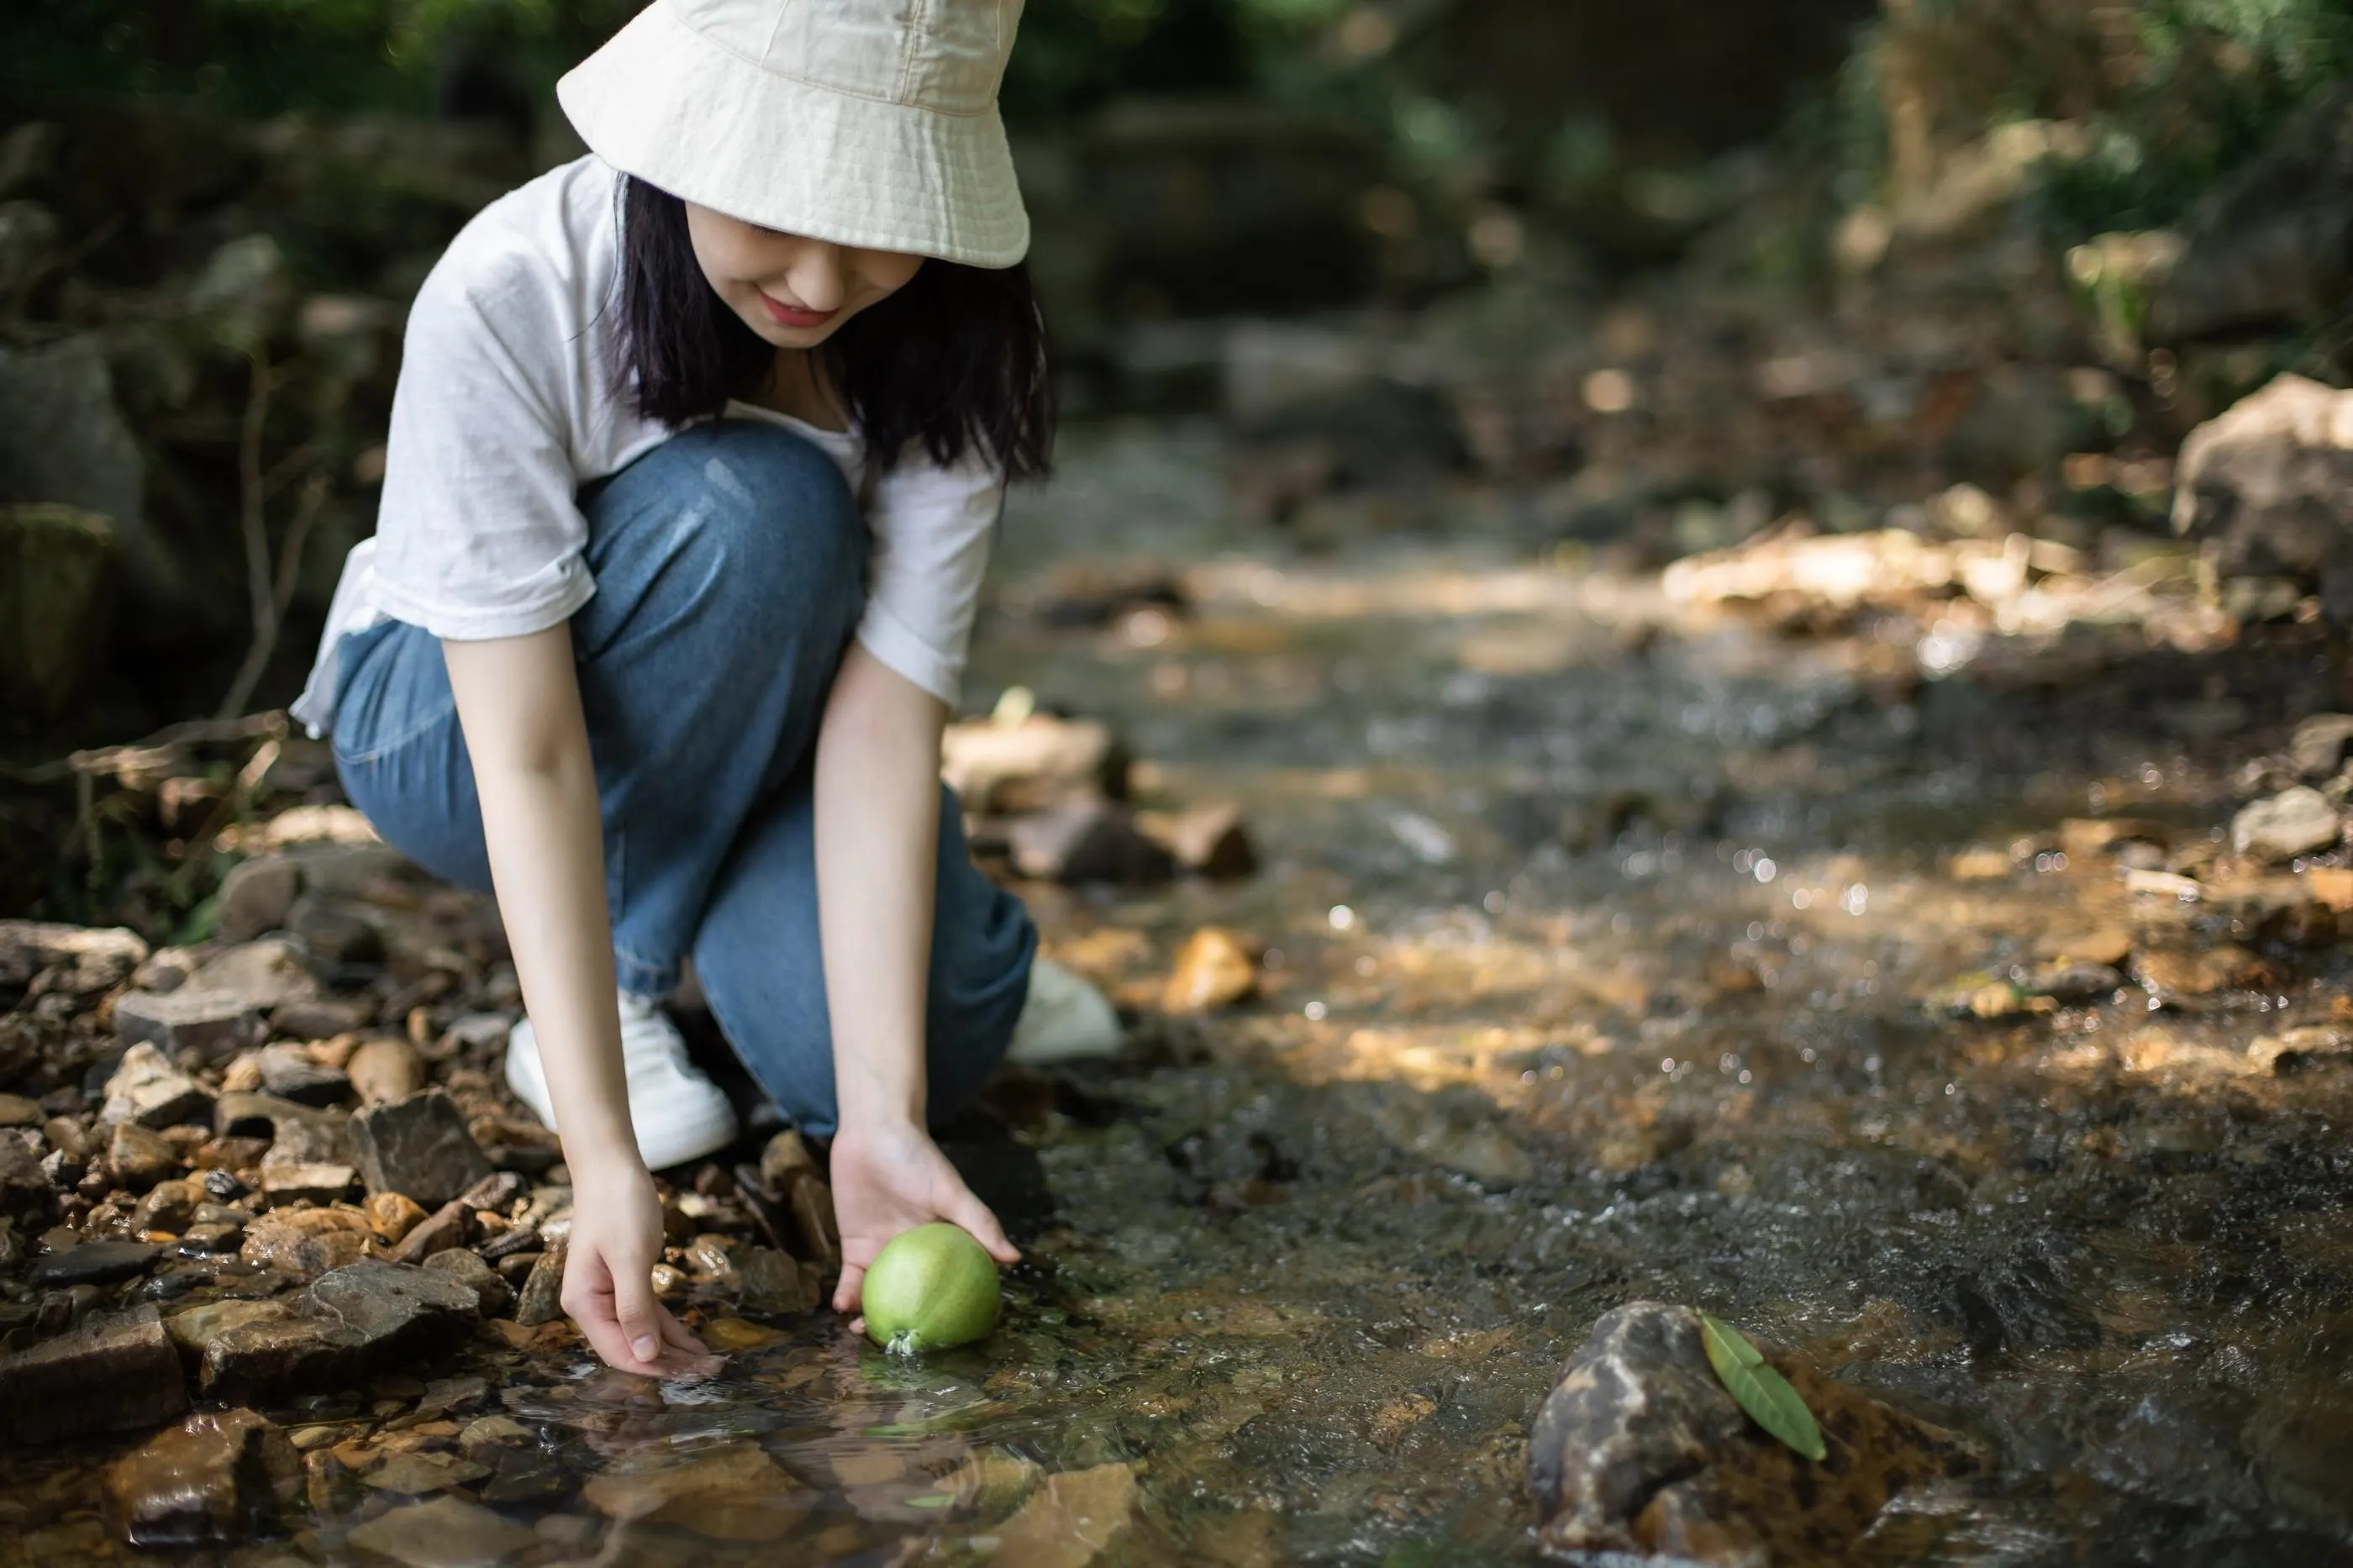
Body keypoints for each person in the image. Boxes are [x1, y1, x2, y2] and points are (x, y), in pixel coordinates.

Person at [291, 0, 1117, 1376]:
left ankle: (859, 973)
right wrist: (599, 1147)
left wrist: (880, 1117)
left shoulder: (955, 343)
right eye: (781, 202)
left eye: (874, 216)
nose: (818, 273)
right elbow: (535, 753)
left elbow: (880, 726)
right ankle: (613, 990)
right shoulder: (513, 286)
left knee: (918, 1046)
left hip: (772, 727)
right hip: (451, 721)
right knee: (768, 512)